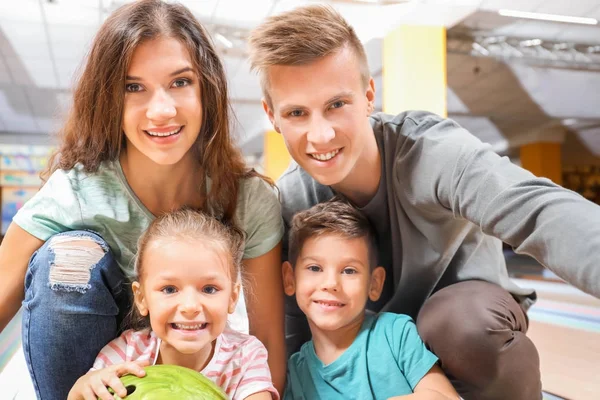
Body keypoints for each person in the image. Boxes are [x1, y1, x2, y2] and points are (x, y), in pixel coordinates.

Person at [247, 4, 600, 400]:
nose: (321, 135)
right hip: (372, 360)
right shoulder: (291, 199)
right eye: (297, 112)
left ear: (367, 96)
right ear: (272, 117)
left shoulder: (431, 151)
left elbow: (538, 211)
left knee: (460, 324)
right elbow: (293, 325)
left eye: (336, 104)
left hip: (465, 336)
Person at [0, 1, 285, 399]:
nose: (161, 110)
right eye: (133, 87)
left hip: (201, 362)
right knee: (68, 257)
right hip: (100, 378)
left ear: (208, 89)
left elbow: (269, 338)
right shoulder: (76, 191)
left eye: (180, 82)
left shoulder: (248, 198)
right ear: (108, 100)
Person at [68, 209, 279, 400]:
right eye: (169, 289)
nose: (190, 306)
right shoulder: (127, 352)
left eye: (209, 289)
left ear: (232, 298)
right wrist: (81, 389)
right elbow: (85, 394)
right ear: (141, 298)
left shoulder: (245, 357)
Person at [282, 200, 459, 400]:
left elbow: (446, 398)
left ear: (374, 284)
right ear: (290, 279)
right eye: (315, 268)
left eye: (349, 270)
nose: (331, 284)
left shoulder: (394, 333)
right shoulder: (296, 373)